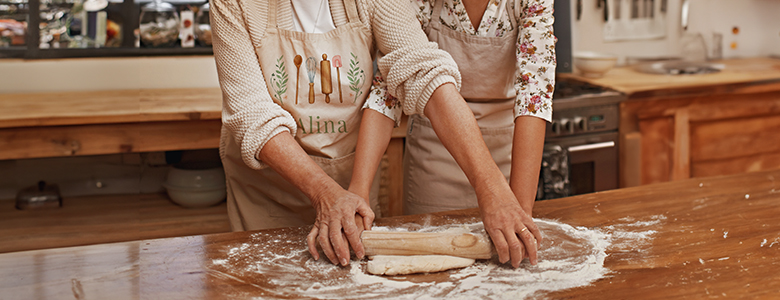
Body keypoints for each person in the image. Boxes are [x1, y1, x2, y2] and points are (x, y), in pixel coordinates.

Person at [211, 0, 541, 268]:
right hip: (269, 193)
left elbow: (424, 72)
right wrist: (326, 194)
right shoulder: (235, 4)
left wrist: (492, 186)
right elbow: (252, 114)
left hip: (351, 190)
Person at [351, 0, 554, 266]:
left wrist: (519, 209)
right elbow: (387, 91)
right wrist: (358, 190)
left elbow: (533, 95)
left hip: (506, 155)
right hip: (435, 156)